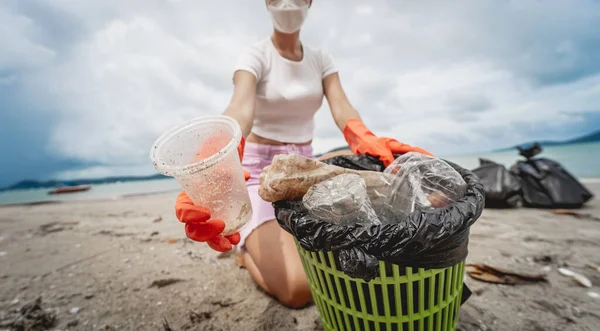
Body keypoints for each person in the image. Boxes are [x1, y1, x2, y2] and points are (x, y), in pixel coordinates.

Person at [174, 0, 432, 309]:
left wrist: (363, 137)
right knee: (298, 290)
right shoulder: (255, 56)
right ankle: (244, 254)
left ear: (310, 2)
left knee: (369, 242)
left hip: (306, 168)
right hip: (258, 174)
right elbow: (240, 110)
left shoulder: (321, 60)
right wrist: (216, 156)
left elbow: (342, 108)